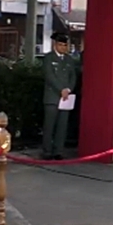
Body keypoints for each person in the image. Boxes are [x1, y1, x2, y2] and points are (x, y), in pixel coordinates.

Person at [41, 32, 79, 160]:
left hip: (66, 98)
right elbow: (49, 76)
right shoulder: (49, 58)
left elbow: (73, 76)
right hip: (52, 97)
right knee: (49, 126)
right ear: (55, 45)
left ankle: (58, 150)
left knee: (62, 126)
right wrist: (61, 89)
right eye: (61, 45)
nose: (63, 47)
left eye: (65, 45)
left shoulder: (69, 60)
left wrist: (68, 89)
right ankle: (47, 151)